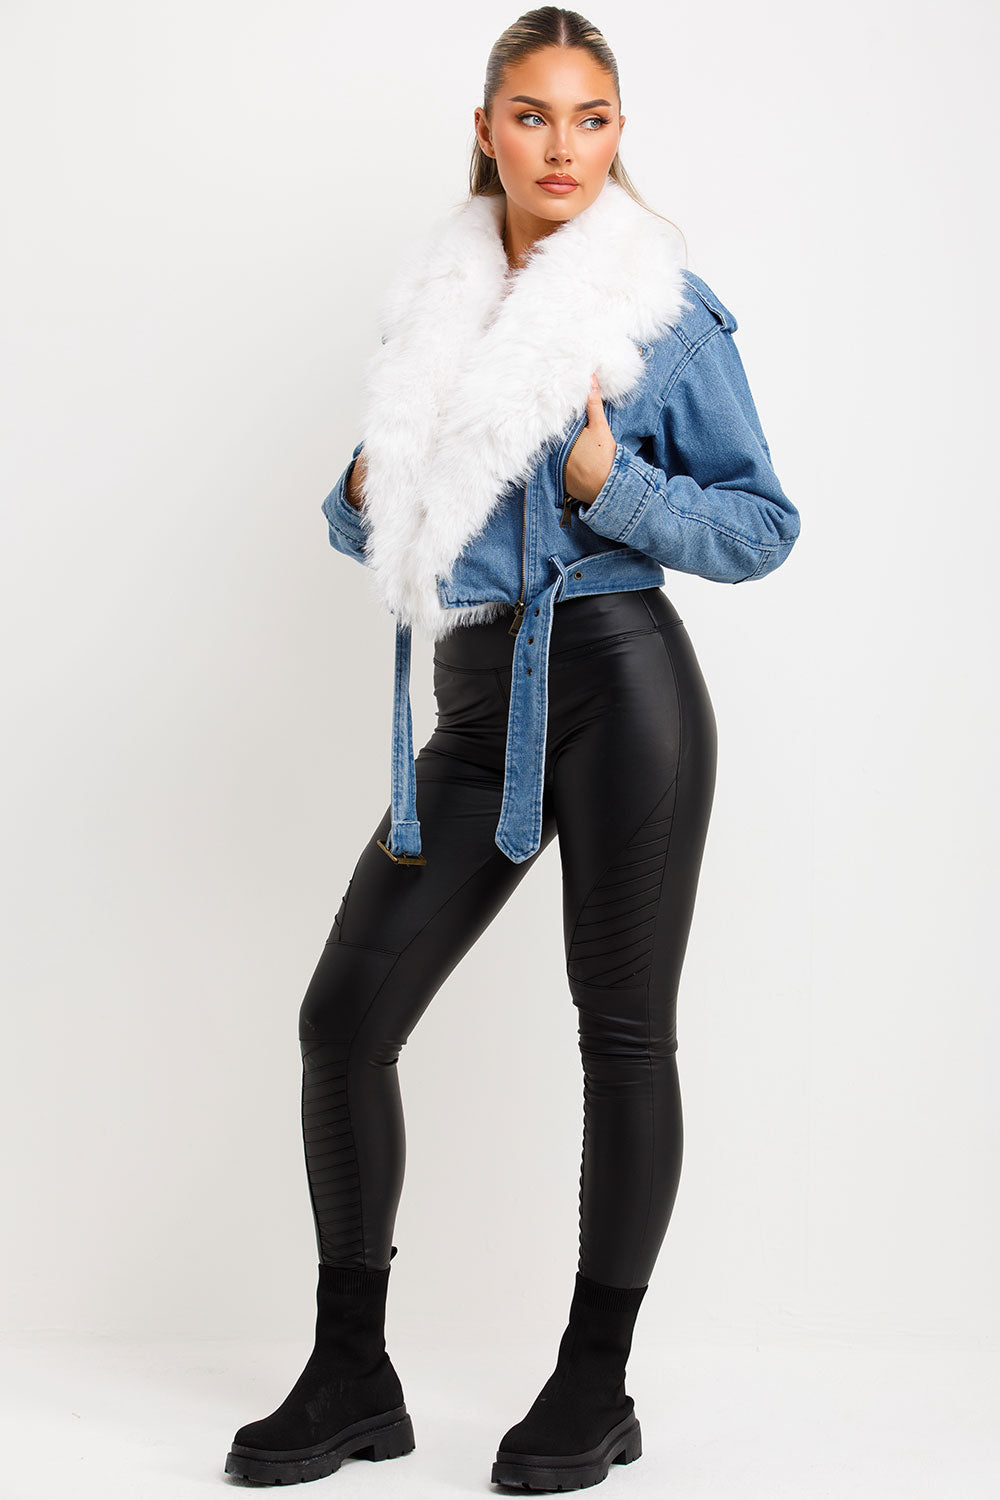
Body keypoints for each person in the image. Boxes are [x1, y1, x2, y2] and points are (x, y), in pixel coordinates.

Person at [225, 6, 800, 1491]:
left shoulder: (662, 312)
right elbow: (387, 526)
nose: (562, 146)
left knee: (623, 1036)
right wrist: (362, 488)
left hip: (619, 684)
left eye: (590, 117)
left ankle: (595, 1386)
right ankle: (353, 1374)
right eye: (533, 115)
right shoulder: (436, 307)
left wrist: (617, 484)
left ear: (618, 133)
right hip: (478, 706)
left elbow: (761, 527)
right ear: (485, 129)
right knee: (344, 1020)